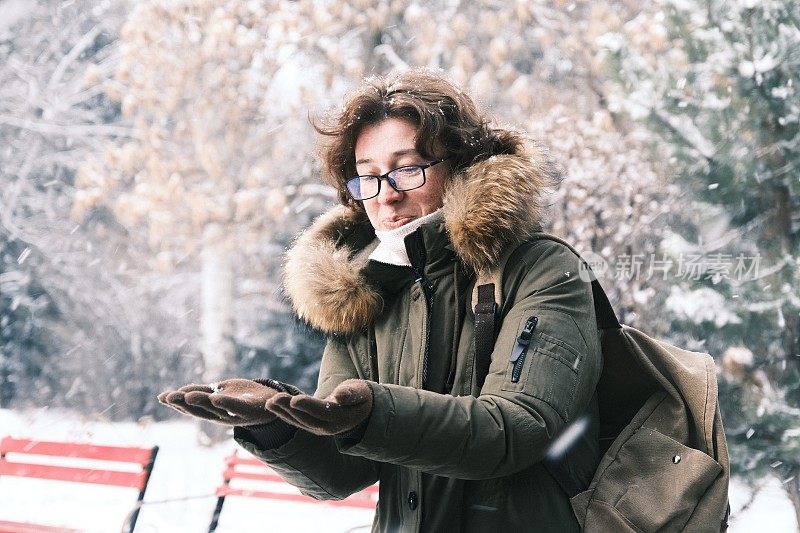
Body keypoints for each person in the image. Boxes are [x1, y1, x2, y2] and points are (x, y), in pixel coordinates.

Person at [159, 68, 603, 532]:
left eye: (407, 169)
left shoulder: (544, 271)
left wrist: (375, 411)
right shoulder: (364, 294)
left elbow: (515, 429)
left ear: (461, 163)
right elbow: (342, 470)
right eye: (367, 177)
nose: (384, 196)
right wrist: (275, 424)